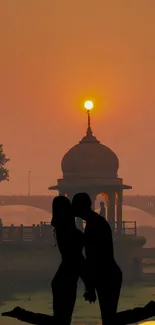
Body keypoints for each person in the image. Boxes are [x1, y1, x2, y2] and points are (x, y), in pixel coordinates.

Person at [2, 196, 96, 325]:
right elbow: (78, 259)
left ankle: (21, 314)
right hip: (67, 281)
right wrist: (89, 286)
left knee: (60, 321)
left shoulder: (62, 230)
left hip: (63, 279)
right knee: (62, 322)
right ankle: (21, 314)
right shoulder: (71, 233)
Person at [72, 192, 122, 325]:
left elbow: (94, 258)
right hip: (108, 274)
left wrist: (91, 286)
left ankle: (147, 310)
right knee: (109, 316)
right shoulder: (95, 222)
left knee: (109, 317)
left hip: (107, 275)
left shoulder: (94, 224)